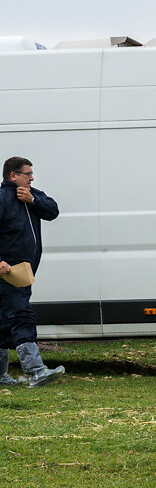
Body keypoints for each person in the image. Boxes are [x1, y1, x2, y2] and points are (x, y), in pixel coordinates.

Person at [0, 157, 64, 388]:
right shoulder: (3, 199)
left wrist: (33, 200)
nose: (32, 177)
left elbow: (53, 211)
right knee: (22, 317)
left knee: (4, 324)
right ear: (13, 176)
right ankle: (36, 371)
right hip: (8, 273)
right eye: (27, 174)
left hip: (23, 273)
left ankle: (0, 377)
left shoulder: (31, 194)